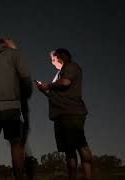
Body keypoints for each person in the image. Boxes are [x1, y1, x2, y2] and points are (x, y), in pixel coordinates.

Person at [0, 37, 32, 180]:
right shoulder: (14, 54)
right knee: (15, 142)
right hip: (10, 104)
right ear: (8, 44)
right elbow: (25, 77)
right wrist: (25, 94)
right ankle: (19, 177)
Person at [36, 48, 93, 180]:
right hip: (60, 115)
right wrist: (43, 89)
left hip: (71, 113)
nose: (52, 62)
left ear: (62, 56)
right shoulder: (59, 74)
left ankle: (88, 176)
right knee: (69, 150)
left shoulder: (71, 67)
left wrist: (48, 86)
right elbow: (54, 94)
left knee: (80, 145)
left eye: (53, 59)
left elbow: (66, 82)